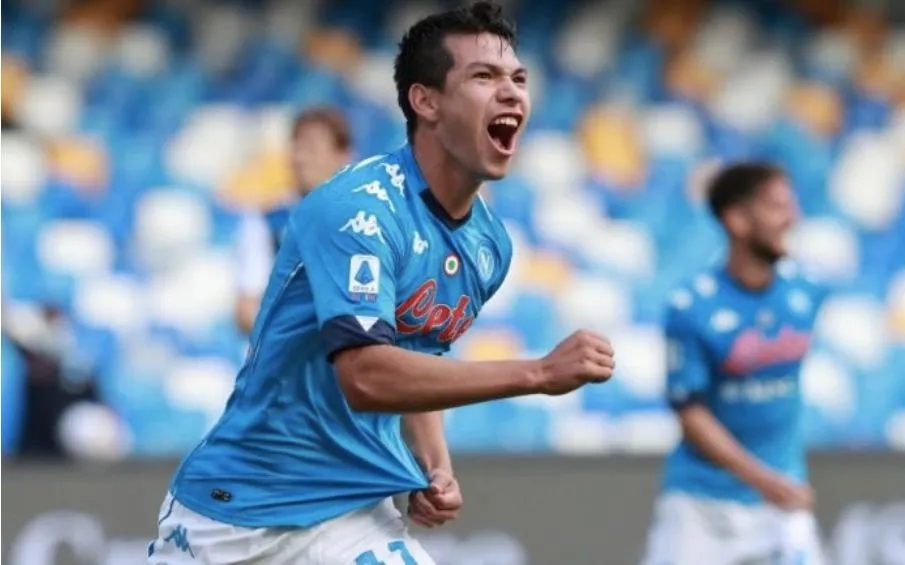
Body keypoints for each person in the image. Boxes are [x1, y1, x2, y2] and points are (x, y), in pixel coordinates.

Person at [148, 3, 615, 564]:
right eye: (484, 76)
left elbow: (418, 363)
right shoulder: (357, 209)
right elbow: (367, 376)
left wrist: (435, 467)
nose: (512, 92)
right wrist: (538, 373)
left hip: (354, 514)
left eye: (518, 78)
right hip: (240, 515)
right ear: (426, 101)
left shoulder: (489, 247)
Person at [642, 163, 828, 565]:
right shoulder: (691, 307)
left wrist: (778, 483)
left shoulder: (806, 290)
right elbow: (690, 414)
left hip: (783, 500)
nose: (791, 216)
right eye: (777, 206)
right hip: (702, 504)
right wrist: (763, 480)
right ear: (737, 220)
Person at [234, 107, 354, 335]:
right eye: (296, 147)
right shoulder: (267, 220)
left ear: (343, 156)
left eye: (311, 148)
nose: (299, 158)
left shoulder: (372, 221)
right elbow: (246, 309)